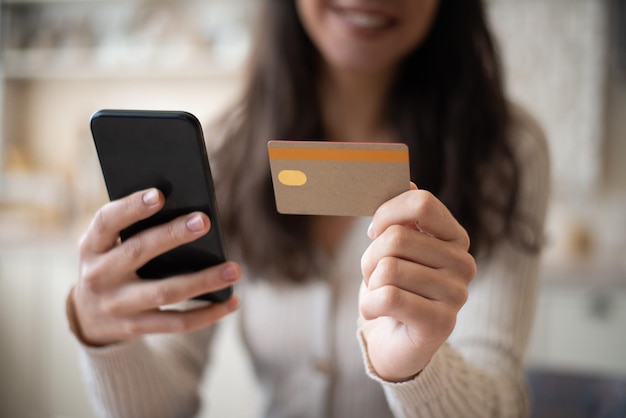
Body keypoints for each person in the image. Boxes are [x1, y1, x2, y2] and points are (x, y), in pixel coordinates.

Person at [66, 1, 550, 417]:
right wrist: (106, 337)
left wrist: (416, 369)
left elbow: (501, 397)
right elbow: (162, 404)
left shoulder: (505, 152)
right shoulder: (229, 150)